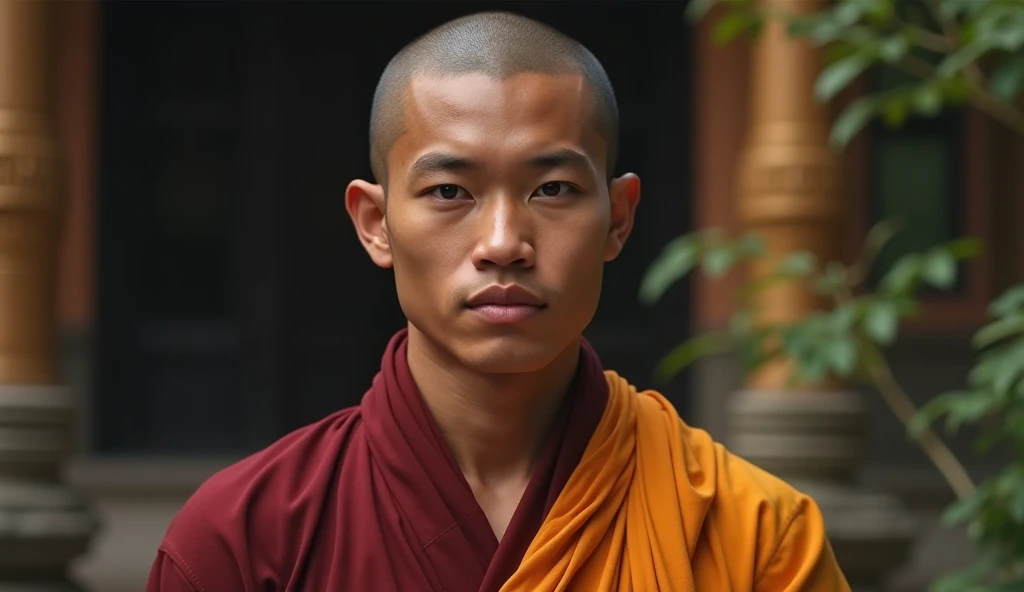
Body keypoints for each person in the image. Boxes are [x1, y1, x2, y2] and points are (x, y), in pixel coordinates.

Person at [147, 10, 851, 592]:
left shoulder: (753, 535)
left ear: (619, 217)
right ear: (376, 224)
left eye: (553, 190)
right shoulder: (245, 538)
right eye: (450, 191)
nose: (505, 242)